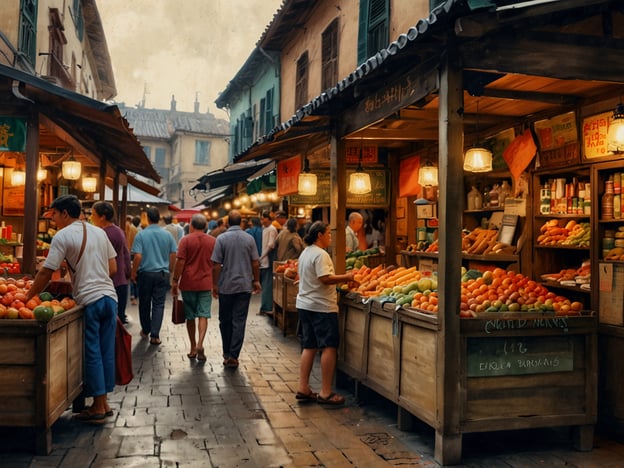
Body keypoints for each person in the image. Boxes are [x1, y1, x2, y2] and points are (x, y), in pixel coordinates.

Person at [26, 195, 118, 422]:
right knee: (106, 350)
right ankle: (103, 403)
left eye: (54, 214)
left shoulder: (62, 235)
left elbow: (47, 271)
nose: (53, 219)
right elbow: (113, 268)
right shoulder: (99, 232)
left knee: (92, 352)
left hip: (91, 300)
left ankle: (98, 406)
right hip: (110, 297)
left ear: (64, 213)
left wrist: (28, 296)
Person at [295, 221, 358, 406]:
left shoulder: (305, 253)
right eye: (328, 234)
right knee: (329, 347)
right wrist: (347, 277)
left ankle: (303, 387)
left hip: (305, 305)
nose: (330, 237)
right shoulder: (320, 255)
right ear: (320, 235)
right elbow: (325, 279)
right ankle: (326, 392)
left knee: (309, 346)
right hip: (321, 307)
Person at [211, 210, 261, 369]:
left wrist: (215, 284)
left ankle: (227, 353)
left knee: (224, 320)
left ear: (227, 223)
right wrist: (257, 280)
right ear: (241, 223)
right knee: (239, 321)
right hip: (244, 286)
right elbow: (255, 262)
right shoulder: (249, 239)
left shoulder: (221, 239)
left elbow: (216, 264)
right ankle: (234, 355)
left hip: (226, 286)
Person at [171, 214, 216, 362]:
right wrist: (215, 284)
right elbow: (216, 265)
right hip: (205, 283)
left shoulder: (185, 240)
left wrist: (175, 281)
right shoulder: (212, 241)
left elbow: (180, 262)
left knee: (190, 315)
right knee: (203, 314)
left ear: (191, 225)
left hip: (188, 283)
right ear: (205, 226)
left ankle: (192, 346)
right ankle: (200, 344)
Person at [131, 206, 177, 345]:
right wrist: (169, 269)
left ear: (148, 219)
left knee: (144, 303)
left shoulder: (141, 235)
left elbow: (137, 256)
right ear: (159, 218)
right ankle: (155, 335)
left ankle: (146, 329)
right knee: (159, 304)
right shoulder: (167, 235)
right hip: (162, 274)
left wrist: (133, 273)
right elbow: (174, 254)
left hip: (145, 274)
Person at [91, 201, 132, 324]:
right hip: (120, 280)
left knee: (110, 323)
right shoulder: (118, 230)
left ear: (102, 217)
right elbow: (125, 254)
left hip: (110, 282)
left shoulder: (104, 233)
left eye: (93, 214)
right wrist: (127, 274)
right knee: (117, 321)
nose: (91, 217)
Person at [259, 210, 278, 315]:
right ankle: (265, 306)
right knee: (265, 284)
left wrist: (262, 256)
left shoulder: (271, 229)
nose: (262, 220)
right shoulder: (265, 229)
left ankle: (267, 307)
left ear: (268, 219)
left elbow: (271, 245)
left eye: (263, 218)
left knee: (267, 284)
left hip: (267, 260)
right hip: (264, 260)